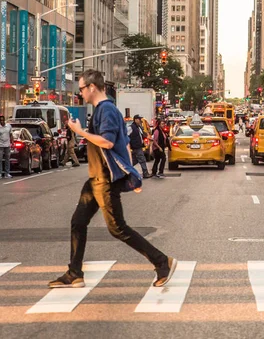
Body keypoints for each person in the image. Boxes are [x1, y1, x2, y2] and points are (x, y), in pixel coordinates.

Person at [48, 70, 176, 289]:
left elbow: (107, 142)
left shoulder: (106, 110)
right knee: (78, 222)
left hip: (104, 180)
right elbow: (124, 145)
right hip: (96, 178)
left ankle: (162, 261)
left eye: (81, 88)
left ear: (92, 87)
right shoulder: (105, 110)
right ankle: (75, 273)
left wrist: (80, 132)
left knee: (117, 228)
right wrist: (129, 174)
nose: (80, 93)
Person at [129, 114, 152, 179]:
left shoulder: (138, 127)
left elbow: (141, 135)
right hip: (136, 147)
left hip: (138, 146)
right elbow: (126, 135)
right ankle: (145, 173)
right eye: (139, 119)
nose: (140, 121)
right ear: (135, 120)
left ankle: (126, 170)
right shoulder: (131, 127)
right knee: (142, 160)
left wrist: (148, 138)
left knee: (134, 160)